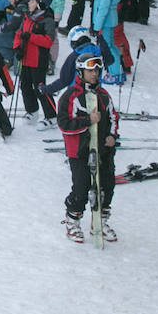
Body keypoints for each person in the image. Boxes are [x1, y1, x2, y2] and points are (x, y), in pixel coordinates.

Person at [57, 54, 119, 244]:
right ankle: (73, 221)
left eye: (97, 70)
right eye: (90, 70)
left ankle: (100, 221)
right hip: (79, 151)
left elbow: (114, 118)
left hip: (103, 149)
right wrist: (87, 120)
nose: (94, 74)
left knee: (107, 185)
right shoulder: (71, 96)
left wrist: (112, 136)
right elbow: (64, 124)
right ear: (81, 71)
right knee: (82, 187)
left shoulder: (103, 95)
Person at [15, 0, 57, 123]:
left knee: (40, 88)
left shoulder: (47, 20)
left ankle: (51, 116)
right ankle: (32, 111)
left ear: (40, 4)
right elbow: (19, 33)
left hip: (38, 60)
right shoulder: (27, 17)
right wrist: (17, 48)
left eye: (32, 1)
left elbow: (48, 41)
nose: (29, 3)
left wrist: (31, 37)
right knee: (25, 86)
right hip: (25, 58)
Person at [90, 0, 129, 79]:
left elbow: (103, 9)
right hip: (110, 22)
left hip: (105, 23)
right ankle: (117, 70)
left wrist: (97, 26)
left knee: (107, 48)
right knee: (111, 46)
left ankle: (114, 73)